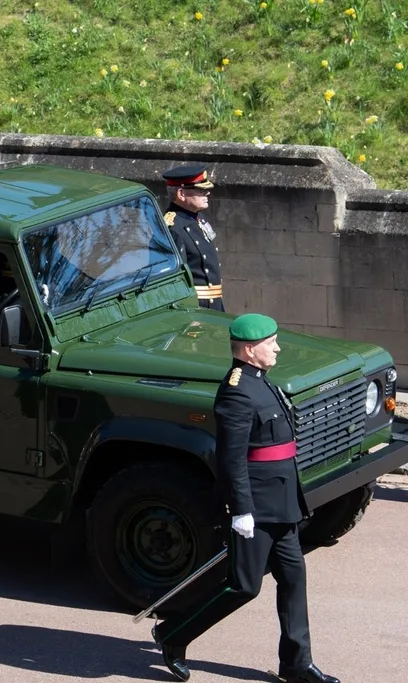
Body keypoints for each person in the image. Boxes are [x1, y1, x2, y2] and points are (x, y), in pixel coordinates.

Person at [150, 313, 339, 683]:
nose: (277, 348)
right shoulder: (237, 391)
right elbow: (231, 457)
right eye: (271, 343)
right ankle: (173, 633)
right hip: (255, 506)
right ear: (251, 350)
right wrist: (241, 511)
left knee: (293, 577)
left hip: (281, 501)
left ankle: (296, 664)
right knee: (243, 587)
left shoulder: (260, 381)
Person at [161, 164, 225, 312]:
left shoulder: (198, 218)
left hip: (213, 305)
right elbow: (175, 281)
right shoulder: (173, 228)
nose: (207, 193)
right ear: (181, 194)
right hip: (196, 309)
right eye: (200, 190)